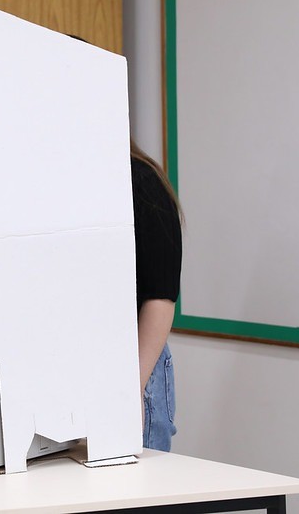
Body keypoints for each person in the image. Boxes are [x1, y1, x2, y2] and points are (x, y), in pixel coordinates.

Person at [130, 139, 183, 452]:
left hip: (137, 365)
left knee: (131, 496)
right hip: (81, 362)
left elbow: (161, 296)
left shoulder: (141, 181)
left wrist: (130, 388)